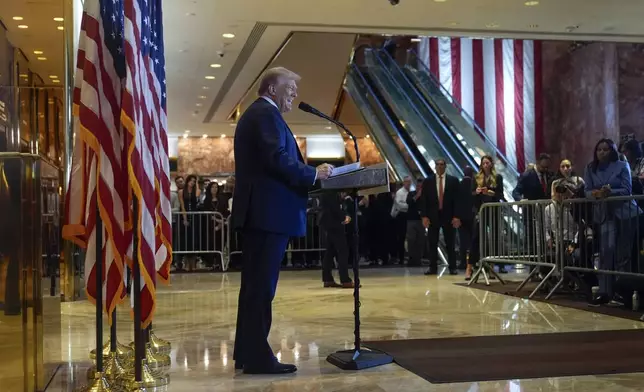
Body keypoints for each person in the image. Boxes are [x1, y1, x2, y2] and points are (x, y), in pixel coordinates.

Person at [231, 67, 333, 375]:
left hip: (264, 216)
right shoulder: (265, 114)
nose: (294, 94)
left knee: (255, 289)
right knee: (261, 290)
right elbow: (276, 159)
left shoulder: (264, 114)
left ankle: (247, 353)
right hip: (266, 216)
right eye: (290, 88)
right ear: (273, 89)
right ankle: (258, 358)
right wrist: (314, 173)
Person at [584, 138, 640, 306]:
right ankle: (604, 292)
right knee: (606, 252)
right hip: (604, 214)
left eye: (606, 149)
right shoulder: (590, 168)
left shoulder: (622, 166)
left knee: (624, 255)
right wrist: (595, 194)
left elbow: (627, 189)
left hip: (625, 213)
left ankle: (623, 292)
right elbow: (586, 190)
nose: (602, 152)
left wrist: (610, 192)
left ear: (612, 151)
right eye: (599, 149)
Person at [420, 159, 461, 275]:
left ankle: (452, 267)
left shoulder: (453, 181)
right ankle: (432, 267)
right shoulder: (428, 181)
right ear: (435, 167)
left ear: (445, 166)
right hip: (433, 216)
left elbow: (457, 200)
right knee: (432, 242)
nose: (439, 167)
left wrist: (457, 216)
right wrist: (424, 216)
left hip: (449, 216)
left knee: (450, 243)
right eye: (437, 165)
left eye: (442, 165)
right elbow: (424, 200)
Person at [469, 155, 505, 274]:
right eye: (484, 163)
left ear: (491, 164)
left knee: (494, 238)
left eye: (488, 163)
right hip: (481, 210)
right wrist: (477, 192)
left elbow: (500, 195)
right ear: (481, 165)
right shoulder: (476, 177)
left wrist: (491, 193)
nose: (486, 165)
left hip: (493, 210)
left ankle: (491, 266)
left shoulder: (497, 177)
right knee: (476, 238)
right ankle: (470, 266)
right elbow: (472, 195)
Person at [318, 191, 354, 288]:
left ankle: (327, 279)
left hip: (329, 222)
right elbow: (334, 207)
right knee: (343, 251)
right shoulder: (330, 191)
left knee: (330, 251)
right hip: (334, 223)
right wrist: (344, 216)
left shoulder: (328, 190)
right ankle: (345, 279)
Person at [178, 175, 199, 272]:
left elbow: (198, 195)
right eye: (191, 181)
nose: (192, 183)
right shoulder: (181, 192)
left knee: (194, 239)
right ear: (187, 181)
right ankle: (186, 262)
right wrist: (185, 218)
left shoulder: (196, 191)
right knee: (186, 240)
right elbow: (182, 205)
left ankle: (194, 263)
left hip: (195, 217)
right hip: (185, 216)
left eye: (194, 181)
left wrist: (197, 183)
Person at [459, 166, 477, 279]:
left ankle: (462, 262)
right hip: (473, 216)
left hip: (461, 217)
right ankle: (473, 261)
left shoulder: (459, 185)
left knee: (463, 240)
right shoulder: (474, 185)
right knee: (473, 240)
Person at [405, 178, 426, 267]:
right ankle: (411, 259)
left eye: (421, 187)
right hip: (411, 220)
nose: (419, 188)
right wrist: (417, 196)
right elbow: (409, 202)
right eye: (418, 186)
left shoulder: (425, 196)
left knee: (420, 240)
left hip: (421, 221)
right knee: (411, 239)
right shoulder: (411, 194)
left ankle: (418, 259)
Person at [392, 176, 411, 263]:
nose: (408, 183)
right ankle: (401, 257)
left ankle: (406, 256)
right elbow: (399, 205)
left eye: (409, 182)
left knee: (406, 237)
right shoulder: (400, 192)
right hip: (401, 216)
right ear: (404, 182)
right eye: (407, 181)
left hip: (406, 216)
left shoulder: (409, 192)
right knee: (401, 237)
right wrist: (409, 206)